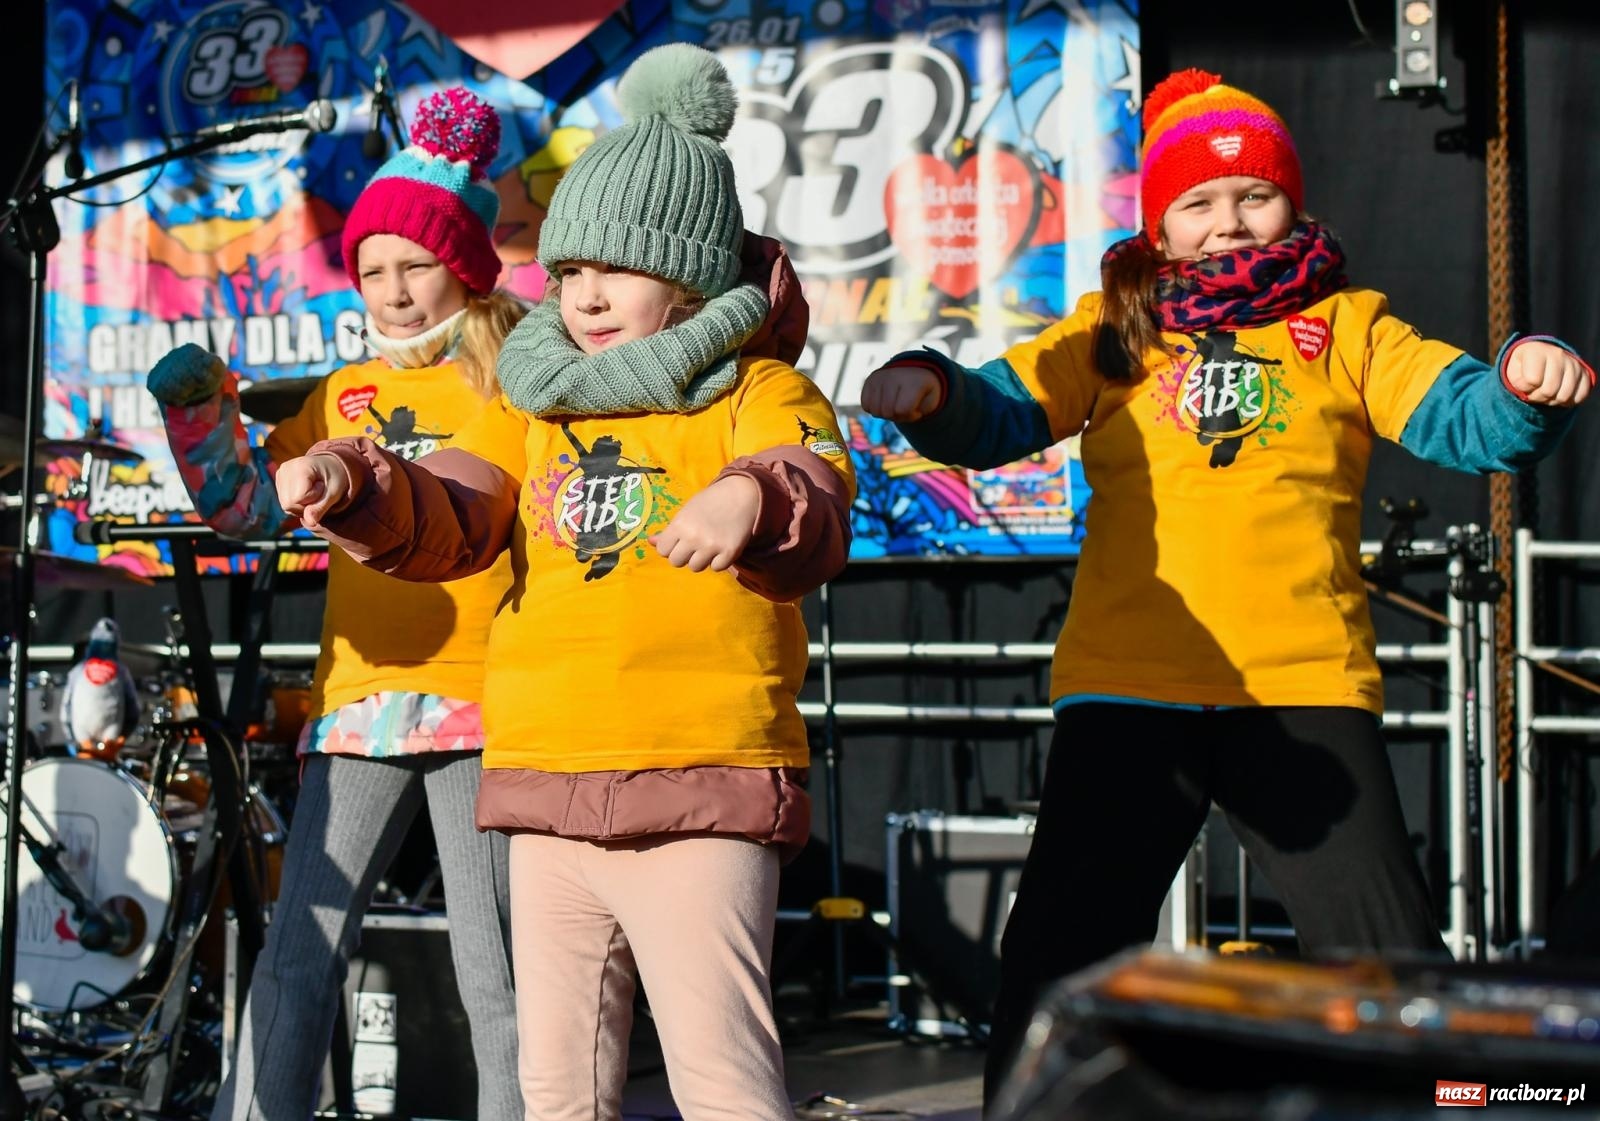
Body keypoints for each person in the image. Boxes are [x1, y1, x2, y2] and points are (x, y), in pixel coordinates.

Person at [859, 68, 1595, 1101]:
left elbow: (1462, 414)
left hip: (1298, 681)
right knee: (1057, 954)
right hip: (1129, 683)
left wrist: (1523, 387)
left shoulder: (1348, 325)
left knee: (1386, 959)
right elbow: (1002, 407)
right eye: (1198, 203)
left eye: (1255, 195)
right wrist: (934, 392)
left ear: (1294, 202)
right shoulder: (1113, 328)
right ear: (1160, 224)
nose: (1228, 222)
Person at [271, 44, 855, 1121]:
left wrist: (752, 495)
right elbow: (453, 502)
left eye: (616, 270)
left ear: (688, 273)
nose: (585, 297)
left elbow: (814, 482)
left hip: (698, 780)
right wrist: (354, 481)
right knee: (556, 1088)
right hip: (545, 783)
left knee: (720, 1078)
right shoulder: (537, 400)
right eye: (570, 271)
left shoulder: (756, 387)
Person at [147, 87, 527, 1121]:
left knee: (497, 974)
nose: (394, 291)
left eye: (416, 264)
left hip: (491, 699)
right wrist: (200, 418)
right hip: (363, 699)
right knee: (297, 955)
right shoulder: (340, 390)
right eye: (372, 270)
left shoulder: (520, 375)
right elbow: (245, 509)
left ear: (464, 262)